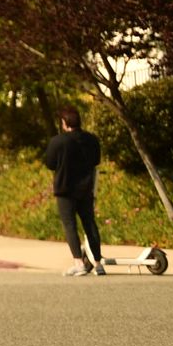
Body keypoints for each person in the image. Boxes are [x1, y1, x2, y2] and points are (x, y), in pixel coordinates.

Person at [42, 107, 105, 277]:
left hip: (65, 189)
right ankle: (98, 263)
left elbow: (49, 163)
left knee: (70, 225)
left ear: (64, 123)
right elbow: (96, 160)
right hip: (86, 188)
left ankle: (79, 262)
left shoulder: (58, 141)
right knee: (89, 224)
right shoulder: (92, 140)